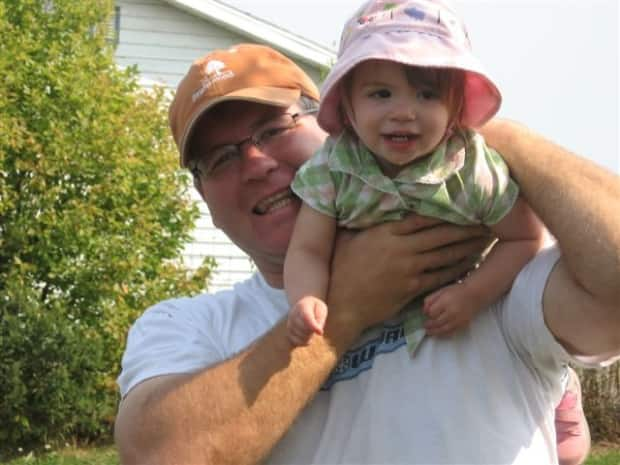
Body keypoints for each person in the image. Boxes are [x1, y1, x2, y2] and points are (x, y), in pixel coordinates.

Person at [113, 42, 619, 464]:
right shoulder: (186, 326)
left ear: (338, 129)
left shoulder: (492, 278)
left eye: (275, 128)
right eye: (221, 157)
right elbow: (158, 453)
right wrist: (344, 312)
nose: (256, 163)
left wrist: (493, 137)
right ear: (204, 198)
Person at [284, 0, 545, 347]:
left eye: (427, 94)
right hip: (364, 328)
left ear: (454, 110)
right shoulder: (333, 167)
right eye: (381, 94)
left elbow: (525, 238)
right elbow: (307, 250)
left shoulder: (469, 167)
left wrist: (472, 294)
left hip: (459, 321)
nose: (404, 112)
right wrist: (307, 297)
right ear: (348, 105)